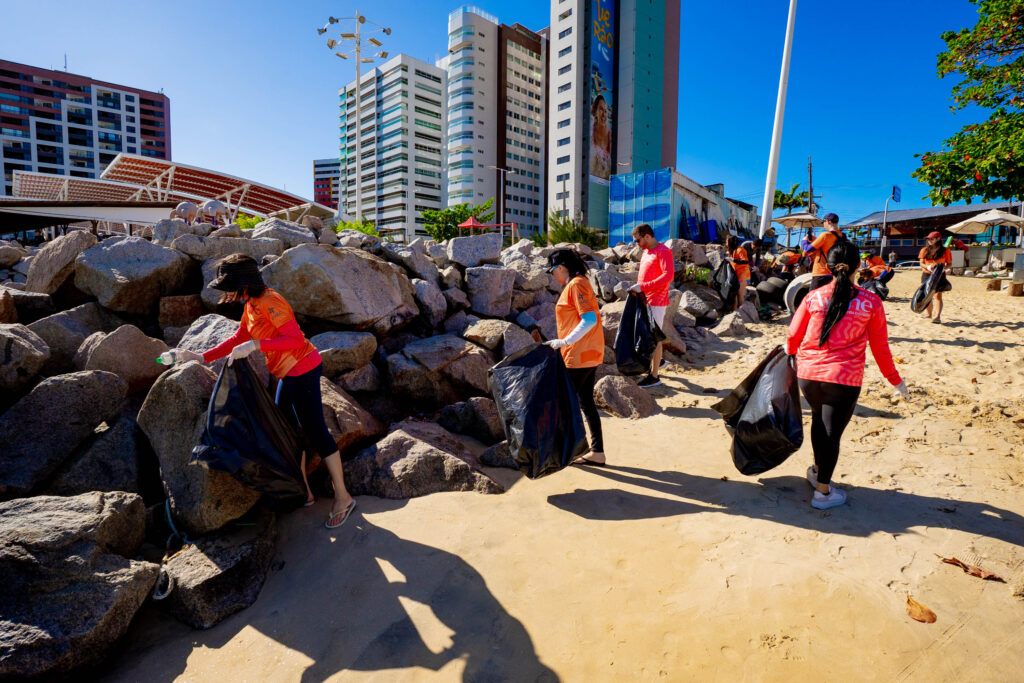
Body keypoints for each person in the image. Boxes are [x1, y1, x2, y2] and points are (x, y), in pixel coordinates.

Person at [169, 254, 357, 529]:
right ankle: (302, 492)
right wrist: (200, 357)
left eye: (230, 286)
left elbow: (293, 338)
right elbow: (238, 338)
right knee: (283, 430)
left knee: (315, 431)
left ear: (245, 283)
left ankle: (343, 497)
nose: (227, 293)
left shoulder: (271, 301)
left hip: (303, 368)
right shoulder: (251, 305)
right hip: (286, 374)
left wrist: (256, 346)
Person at [787, 241, 909, 509]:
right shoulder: (871, 302)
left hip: (808, 376)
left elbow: (793, 336)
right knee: (831, 432)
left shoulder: (813, 297)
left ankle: (818, 471)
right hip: (843, 379)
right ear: (859, 267)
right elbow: (880, 348)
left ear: (828, 266)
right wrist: (895, 380)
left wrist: (791, 354)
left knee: (819, 421)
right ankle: (822, 492)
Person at [545, 249, 606, 466]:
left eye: (552, 271)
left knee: (563, 402)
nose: (553, 276)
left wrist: (565, 342)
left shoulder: (576, 284)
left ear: (561, 267)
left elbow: (588, 319)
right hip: (589, 353)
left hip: (579, 355)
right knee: (586, 402)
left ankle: (567, 450)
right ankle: (597, 452)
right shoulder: (578, 283)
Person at [628, 223, 674, 388]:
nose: (636, 244)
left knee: (654, 339)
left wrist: (643, 287)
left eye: (637, 240)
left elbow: (668, 276)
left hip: (656, 300)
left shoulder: (663, 251)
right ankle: (658, 361)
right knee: (649, 336)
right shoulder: (646, 251)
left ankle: (654, 376)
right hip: (645, 299)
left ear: (647, 236)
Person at [805, 213, 846, 291]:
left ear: (828, 222)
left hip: (821, 273)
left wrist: (804, 241)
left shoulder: (825, 235)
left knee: (813, 298)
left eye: (824, 222)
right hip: (835, 274)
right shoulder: (843, 236)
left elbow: (807, 249)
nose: (823, 224)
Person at [919, 231, 953, 324]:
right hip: (927, 273)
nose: (929, 240)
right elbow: (921, 263)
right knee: (927, 295)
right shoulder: (924, 250)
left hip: (939, 274)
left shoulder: (946, 251)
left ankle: (937, 317)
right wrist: (927, 266)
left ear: (938, 239)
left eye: (932, 238)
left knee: (937, 295)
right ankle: (929, 314)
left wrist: (943, 269)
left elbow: (949, 264)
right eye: (928, 239)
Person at [589, 95, 612, 179]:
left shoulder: (611, 134)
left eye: (605, 111)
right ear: (595, 111)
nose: (603, 114)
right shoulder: (589, 133)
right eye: (601, 109)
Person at [725, 235, 750, 311]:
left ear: (730, 242)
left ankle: (742, 312)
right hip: (736, 274)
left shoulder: (740, 250)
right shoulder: (731, 250)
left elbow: (745, 261)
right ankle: (735, 310)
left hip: (743, 275)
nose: (725, 243)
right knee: (735, 292)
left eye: (726, 241)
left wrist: (733, 260)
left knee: (740, 294)